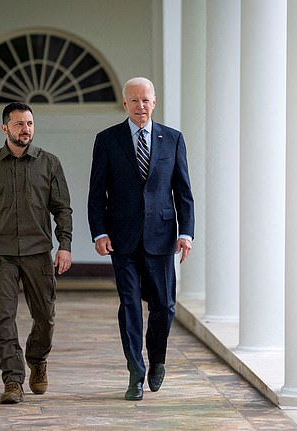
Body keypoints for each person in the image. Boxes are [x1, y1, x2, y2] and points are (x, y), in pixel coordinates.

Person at [87, 77, 195, 401]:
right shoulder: (107, 140)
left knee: (164, 306)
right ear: (125, 104)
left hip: (162, 237)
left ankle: (157, 358)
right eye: (134, 101)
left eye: (145, 100)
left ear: (154, 102)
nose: (141, 106)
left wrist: (186, 233)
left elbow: (183, 192)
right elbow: (96, 193)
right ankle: (135, 369)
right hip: (122, 239)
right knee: (130, 304)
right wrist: (100, 231)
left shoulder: (173, 139)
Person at [0, 102, 73, 404]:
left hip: (39, 252)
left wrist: (65, 245)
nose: (26, 130)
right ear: (5, 128)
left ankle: (37, 359)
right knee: (3, 318)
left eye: (30, 124)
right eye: (20, 124)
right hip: (1, 254)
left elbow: (62, 209)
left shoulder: (50, 163)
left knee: (45, 317)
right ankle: (12, 380)